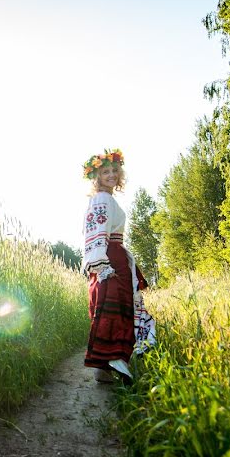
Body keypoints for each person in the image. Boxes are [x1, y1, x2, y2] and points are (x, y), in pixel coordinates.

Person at [79, 149, 156, 383]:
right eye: (105, 172)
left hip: (114, 256)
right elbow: (97, 231)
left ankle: (104, 367)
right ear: (97, 176)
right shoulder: (102, 198)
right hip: (110, 258)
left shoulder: (107, 199)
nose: (111, 175)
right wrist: (103, 264)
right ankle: (114, 362)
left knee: (112, 307)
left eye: (114, 171)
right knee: (114, 309)